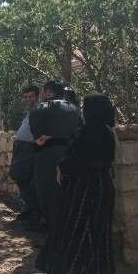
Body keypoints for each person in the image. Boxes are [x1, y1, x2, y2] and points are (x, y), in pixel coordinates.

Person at [36, 93, 117, 274]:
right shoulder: (108, 131)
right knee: (99, 232)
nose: (81, 110)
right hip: (103, 185)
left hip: (84, 186)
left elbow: (79, 157)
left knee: (78, 230)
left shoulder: (89, 130)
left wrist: (61, 167)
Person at [28, 80, 81, 234]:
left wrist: (37, 136)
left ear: (49, 93)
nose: (42, 95)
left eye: (43, 92)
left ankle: (51, 231)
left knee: (45, 191)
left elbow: (34, 114)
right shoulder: (74, 108)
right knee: (62, 192)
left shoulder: (44, 106)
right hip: (68, 154)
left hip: (47, 154)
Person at [8, 85, 41, 224]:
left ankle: (35, 211)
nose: (28, 99)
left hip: (29, 147)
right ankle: (30, 208)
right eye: (26, 97)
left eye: (31, 96)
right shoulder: (31, 110)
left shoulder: (39, 109)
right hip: (21, 147)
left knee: (18, 174)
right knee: (22, 177)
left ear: (38, 96)